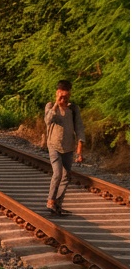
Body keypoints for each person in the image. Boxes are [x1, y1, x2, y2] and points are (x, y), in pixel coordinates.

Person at [44, 80, 85, 215]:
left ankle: (57, 204)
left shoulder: (73, 109)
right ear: (57, 93)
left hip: (68, 147)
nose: (64, 99)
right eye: (61, 96)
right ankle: (50, 201)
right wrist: (56, 104)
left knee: (67, 176)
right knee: (57, 173)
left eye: (66, 97)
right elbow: (47, 120)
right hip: (54, 146)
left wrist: (80, 149)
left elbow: (79, 127)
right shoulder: (50, 106)